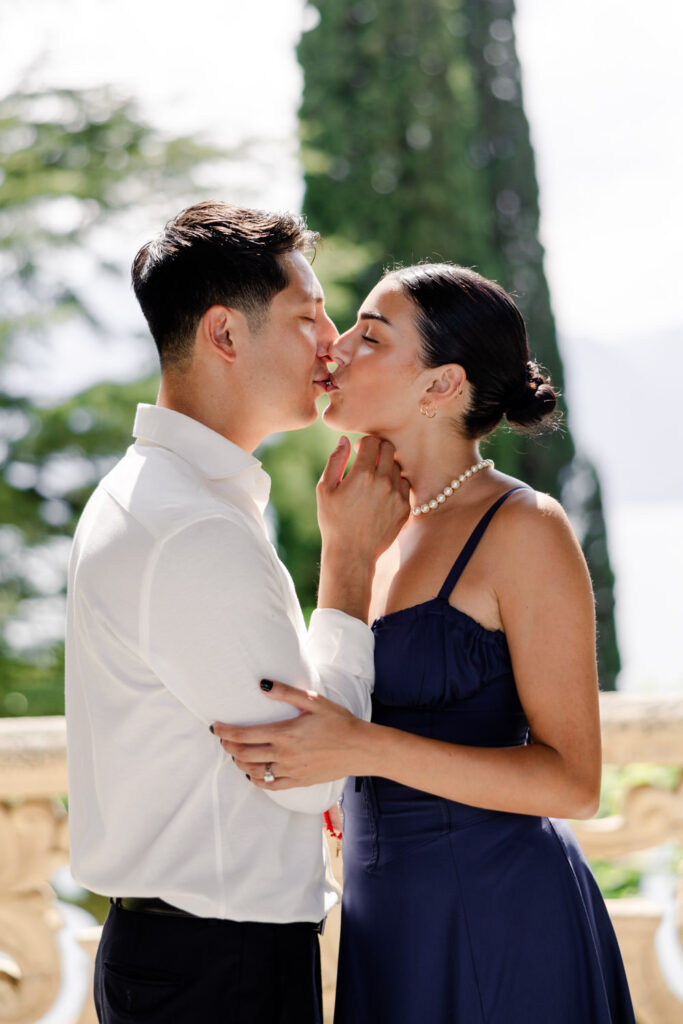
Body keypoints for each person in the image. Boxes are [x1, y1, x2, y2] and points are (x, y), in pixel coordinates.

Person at [213, 263, 636, 1023]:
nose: (333, 350)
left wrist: (363, 749)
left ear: (440, 386)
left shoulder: (523, 528)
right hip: (384, 922)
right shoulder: (364, 516)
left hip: (501, 917)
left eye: (368, 336)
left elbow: (572, 783)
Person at [64, 200, 409, 1024]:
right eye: (305, 315)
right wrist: (351, 561)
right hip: (216, 968)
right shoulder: (188, 525)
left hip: (193, 958)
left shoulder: (175, 498)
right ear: (224, 334)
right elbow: (313, 773)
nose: (331, 341)